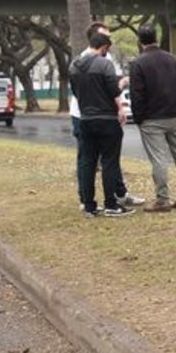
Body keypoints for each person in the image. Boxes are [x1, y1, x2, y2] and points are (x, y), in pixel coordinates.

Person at [128, 24, 176, 212]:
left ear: (140, 41)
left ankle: (163, 199)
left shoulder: (139, 64)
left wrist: (139, 117)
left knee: (159, 159)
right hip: (175, 114)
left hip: (152, 118)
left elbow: (137, 94)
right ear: (156, 37)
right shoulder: (173, 60)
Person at [70, 24, 133, 217]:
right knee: (109, 162)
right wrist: (121, 83)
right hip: (106, 119)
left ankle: (88, 204)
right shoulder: (104, 64)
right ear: (104, 47)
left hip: (86, 119)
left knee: (88, 162)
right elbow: (113, 91)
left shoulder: (74, 65)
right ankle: (111, 204)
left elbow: (75, 91)